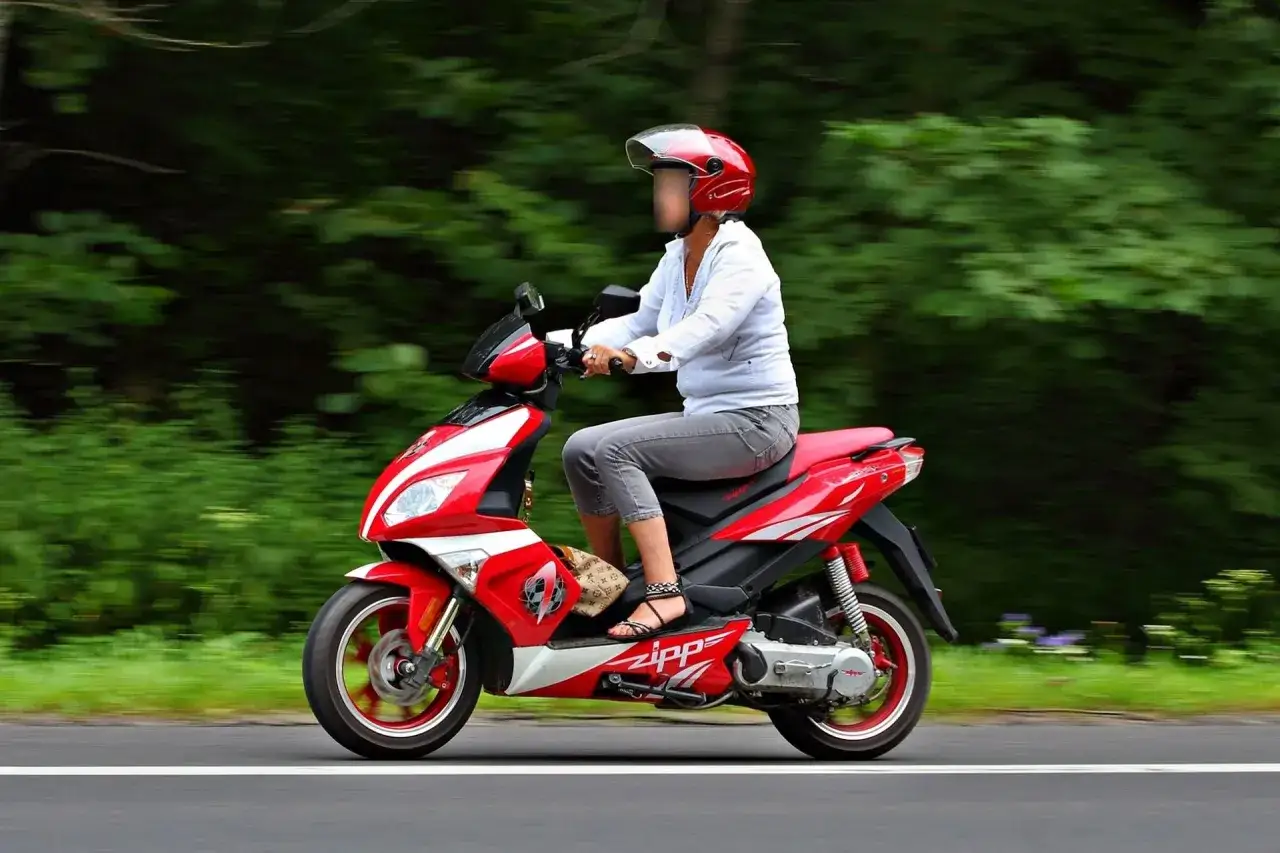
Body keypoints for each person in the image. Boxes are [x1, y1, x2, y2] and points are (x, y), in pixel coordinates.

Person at [562, 123, 800, 640]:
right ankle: (611, 584)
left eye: (670, 184)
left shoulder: (741, 258)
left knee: (617, 452)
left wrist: (628, 358)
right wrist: (557, 344)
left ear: (709, 190)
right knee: (580, 448)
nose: (659, 196)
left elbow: (704, 328)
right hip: (708, 417)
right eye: (658, 185)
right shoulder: (679, 256)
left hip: (757, 422)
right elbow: (640, 320)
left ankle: (664, 594)